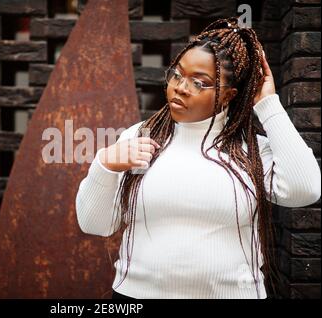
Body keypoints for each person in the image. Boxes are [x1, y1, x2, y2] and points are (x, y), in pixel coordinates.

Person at [75, 17, 321, 299]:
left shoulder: (251, 150)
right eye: (177, 75)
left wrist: (267, 104)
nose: (180, 87)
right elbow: (94, 224)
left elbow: (305, 189)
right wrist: (104, 165)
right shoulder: (140, 137)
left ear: (228, 95)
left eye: (199, 82)